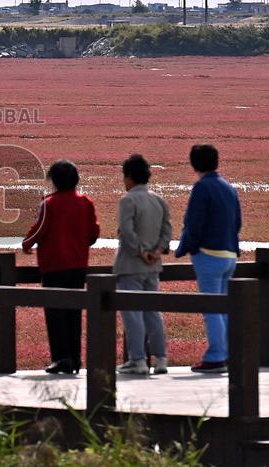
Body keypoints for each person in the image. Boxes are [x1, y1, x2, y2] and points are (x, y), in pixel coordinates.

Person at [22, 160, 100, 374]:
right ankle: (75, 359)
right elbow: (93, 234)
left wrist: (26, 243)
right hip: (77, 267)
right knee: (74, 313)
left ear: (54, 181)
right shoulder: (86, 202)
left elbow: (39, 230)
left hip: (53, 267)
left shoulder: (49, 204)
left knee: (55, 314)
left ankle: (61, 358)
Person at [175, 144, 242, 374]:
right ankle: (230, 353)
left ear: (194, 164)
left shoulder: (202, 188)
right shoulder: (229, 187)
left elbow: (193, 224)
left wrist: (189, 248)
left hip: (209, 256)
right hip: (230, 255)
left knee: (211, 308)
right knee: (224, 306)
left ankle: (216, 356)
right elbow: (238, 223)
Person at [113, 154, 172, 376]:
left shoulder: (128, 200)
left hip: (131, 265)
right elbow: (167, 232)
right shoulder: (159, 200)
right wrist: (156, 252)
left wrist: (140, 252)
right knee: (152, 312)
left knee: (132, 314)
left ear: (129, 177)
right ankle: (161, 358)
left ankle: (137, 359)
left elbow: (127, 232)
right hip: (153, 267)